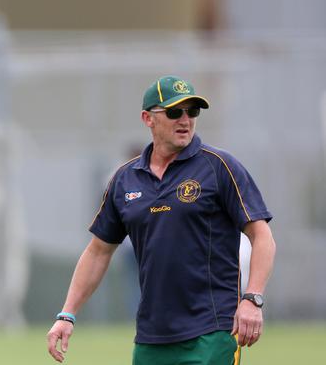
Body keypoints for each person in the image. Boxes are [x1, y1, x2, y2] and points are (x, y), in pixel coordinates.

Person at [47, 75, 276, 364]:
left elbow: (262, 235)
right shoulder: (124, 179)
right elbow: (98, 251)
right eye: (174, 112)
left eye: (192, 111)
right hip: (151, 338)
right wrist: (67, 315)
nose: (185, 119)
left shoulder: (219, 166)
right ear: (148, 118)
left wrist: (252, 299)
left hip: (213, 332)